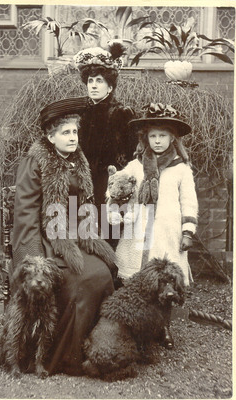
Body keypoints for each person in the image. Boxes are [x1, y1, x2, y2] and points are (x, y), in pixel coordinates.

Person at [11, 97, 116, 376]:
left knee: (103, 273)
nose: (73, 138)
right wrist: (35, 257)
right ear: (50, 136)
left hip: (75, 236)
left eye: (75, 132)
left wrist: (88, 233)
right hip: (45, 240)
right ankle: (64, 357)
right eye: (66, 132)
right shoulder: (36, 161)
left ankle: (96, 348)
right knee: (82, 281)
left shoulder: (77, 160)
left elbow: (84, 206)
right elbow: (25, 213)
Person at [129, 103, 199, 347]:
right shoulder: (137, 165)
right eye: (153, 136)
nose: (157, 141)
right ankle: (139, 328)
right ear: (146, 138)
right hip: (141, 232)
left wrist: (187, 231)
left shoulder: (181, 169)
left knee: (165, 284)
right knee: (141, 281)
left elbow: (189, 201)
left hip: (167, 234)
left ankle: (164, 327)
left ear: (172, 138)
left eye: (162, 136)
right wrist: (116, 191)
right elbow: (121, 188)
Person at [73, 44, 136, 238]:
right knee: (82, 232)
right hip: (82, 183)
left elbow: (132, 155)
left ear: (110, 86)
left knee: (110, 234)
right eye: (90, 80)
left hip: (110, 186)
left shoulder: (122, 114)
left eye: (99, 81)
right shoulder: (79, 113)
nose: (93, 85)